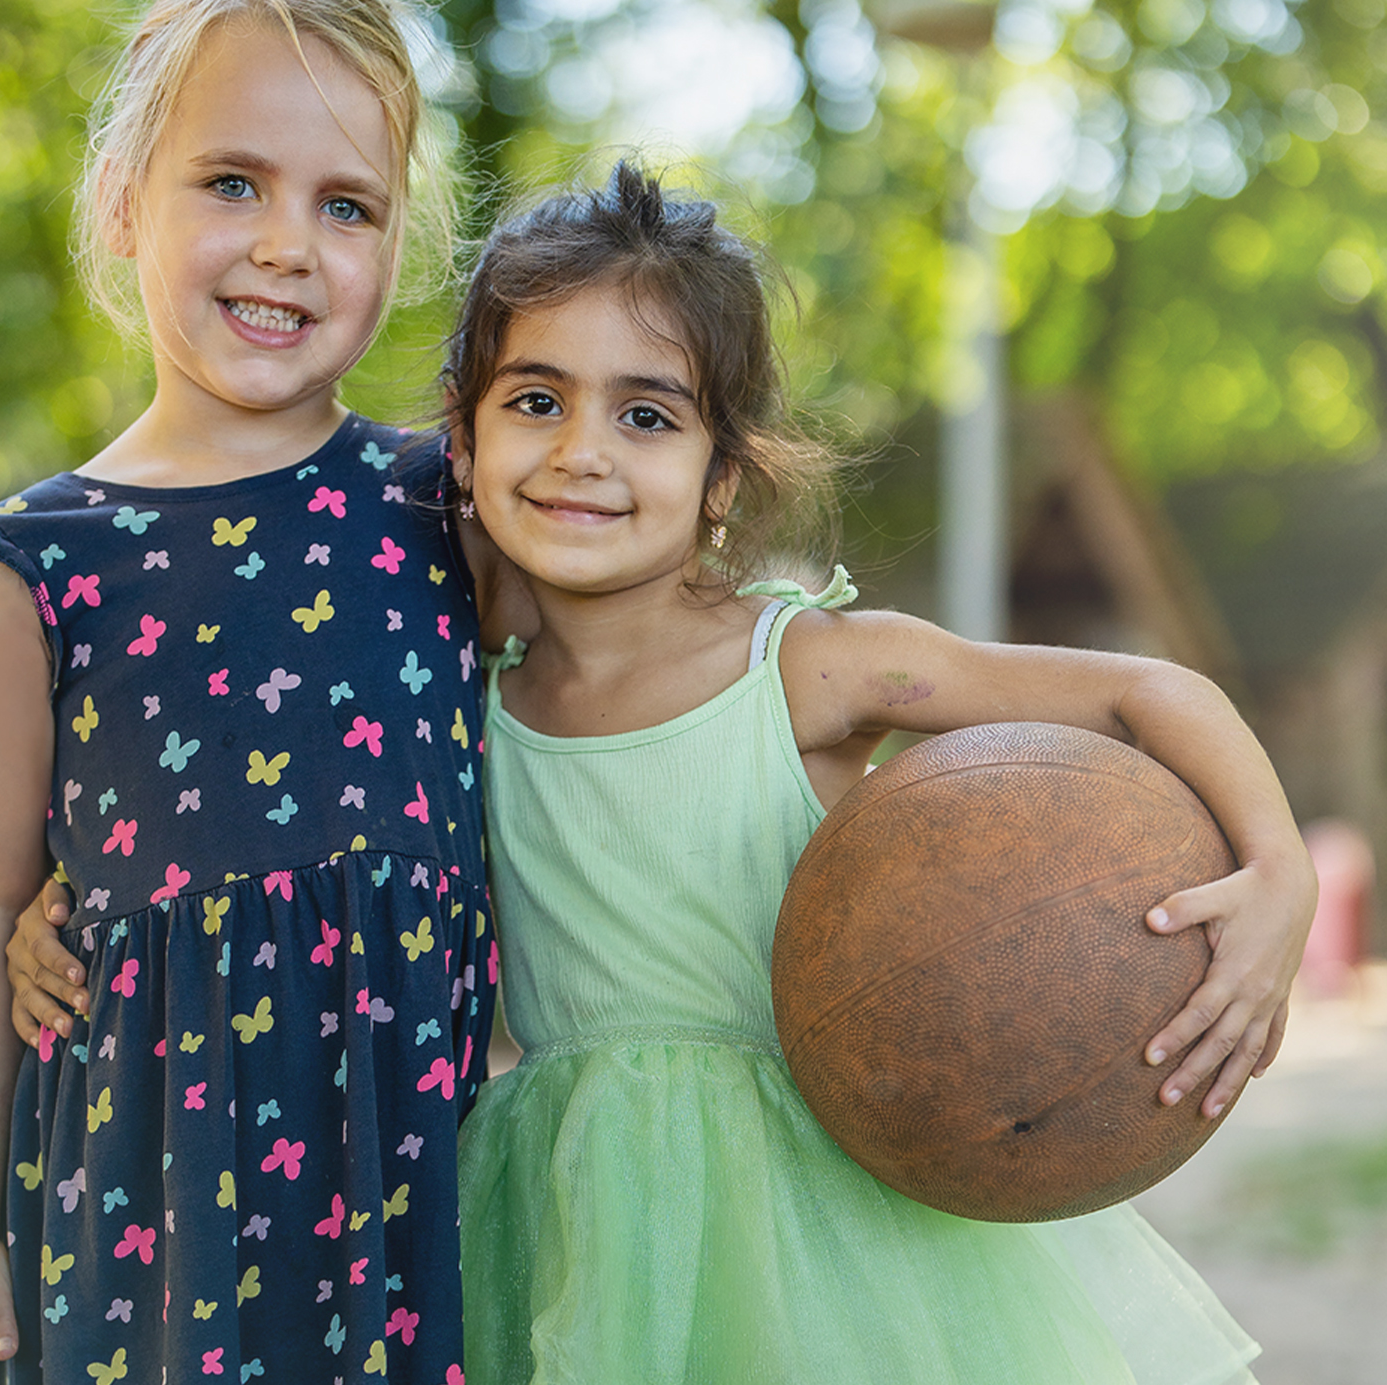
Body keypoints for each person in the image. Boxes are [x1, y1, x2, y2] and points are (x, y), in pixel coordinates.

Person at [415, 163, 1296, 1384]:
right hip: (574, 1228)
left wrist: (1279, 876)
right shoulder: (457, 697)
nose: (581, 452)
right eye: (534, 400)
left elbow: (1147, 690)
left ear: (723, 476)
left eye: (647, 415)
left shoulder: (814, 669)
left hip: (843, 1219)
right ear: (461, 440)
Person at [0, 4, 504, 1380]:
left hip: (420, 1192)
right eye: (233, 182)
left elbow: (622, 685)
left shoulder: (448, 506)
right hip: (146, 1219)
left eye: (346, 205)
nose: (288, 243)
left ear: (395, 247)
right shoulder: (35, 564)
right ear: (125, 202)